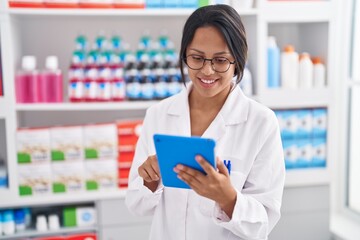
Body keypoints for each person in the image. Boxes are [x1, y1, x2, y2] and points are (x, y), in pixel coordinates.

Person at [125, 4, 285, 240]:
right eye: (197, 58)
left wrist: (227, 198)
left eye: (220, 60)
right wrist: (150, 180)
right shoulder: (159, 115)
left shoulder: (261, 123)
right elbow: (136, 205)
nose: (207, 71)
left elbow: (263, 224)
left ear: (238, 61)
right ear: (184, 56)